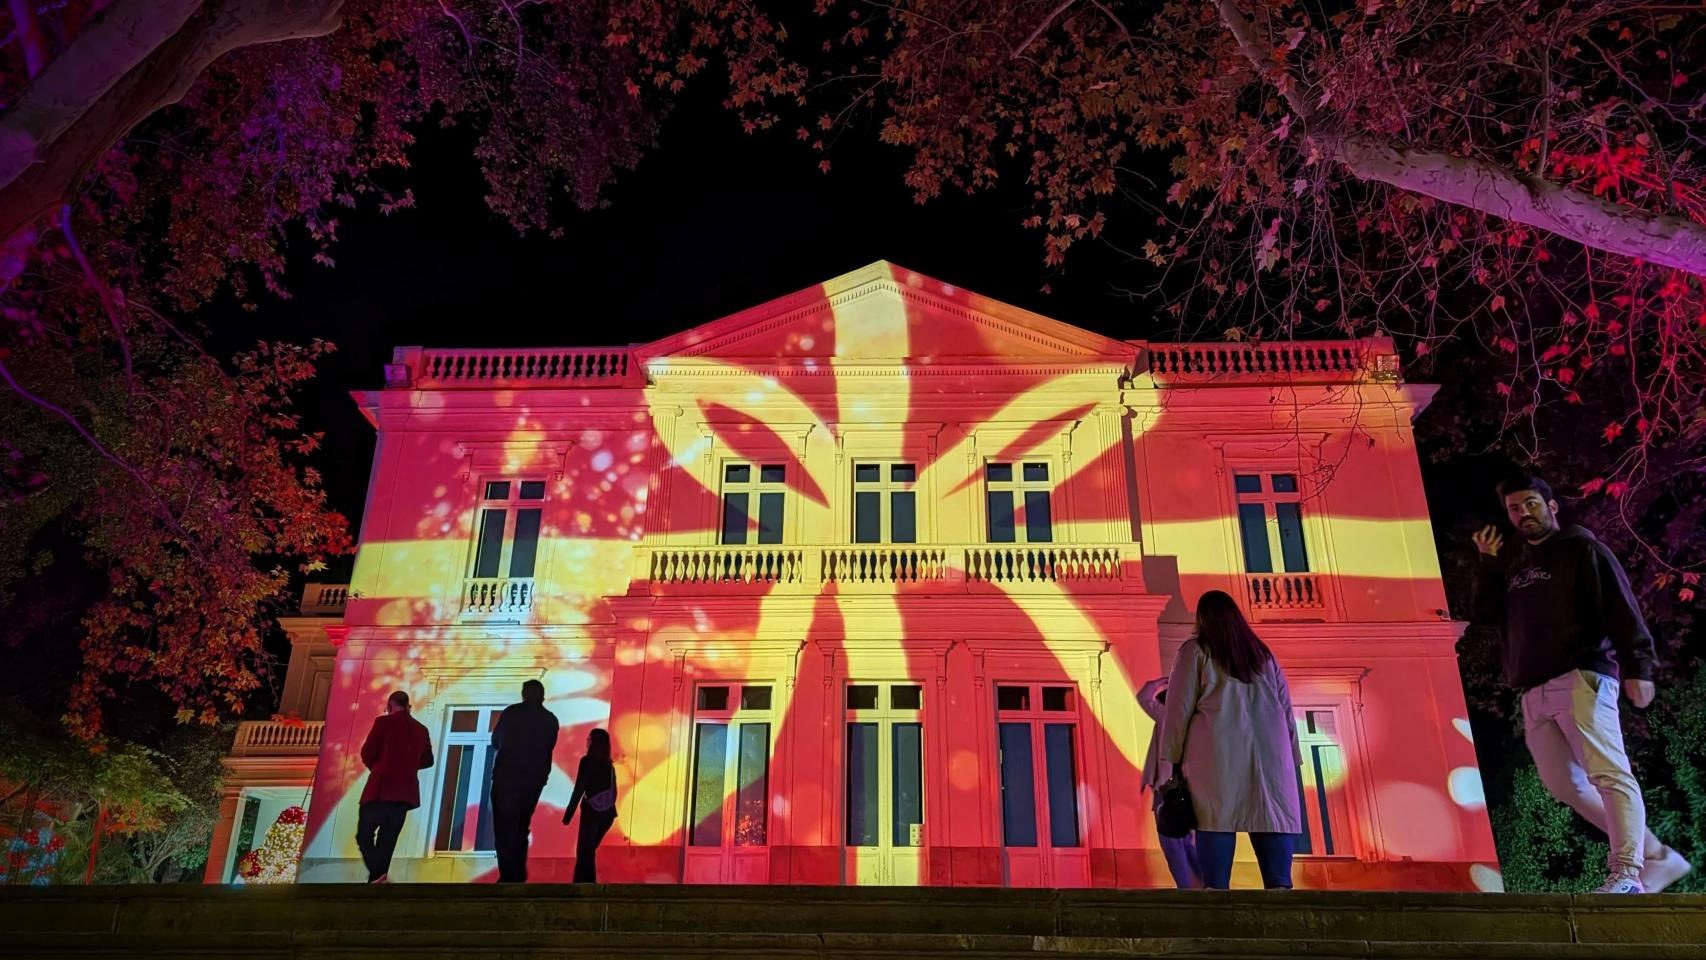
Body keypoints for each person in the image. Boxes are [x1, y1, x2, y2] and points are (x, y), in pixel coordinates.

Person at [1470, 472, 1691, 893]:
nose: (1523, 514)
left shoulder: (1580, 548)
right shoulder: (1514, 562)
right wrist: (1488, 565)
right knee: (1564, 784)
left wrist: (1638, 667)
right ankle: (1658, 856)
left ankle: (1628, 872)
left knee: (1608, 774)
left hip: (1581, 675)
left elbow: (1620, 605)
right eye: (1515, 508)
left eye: (1531, 504)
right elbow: (1485, 614)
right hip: (1532, 690)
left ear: (1551, 506)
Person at [1158, 590, 1300, 890]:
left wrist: (1172, 759)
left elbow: (1178, 709)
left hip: (1216, 754)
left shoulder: (1195, 651)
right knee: (1270, 818)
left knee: (1215, 819)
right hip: (1270, 757)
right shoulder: (1262, 654)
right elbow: (1287, 711)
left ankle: (1216, 900)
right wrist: (1292, 757)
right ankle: (1280, 898)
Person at [355, 690, 434, 884]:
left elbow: (367, 752)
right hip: (406, 793)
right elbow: (428, 760)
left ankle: (378, 875)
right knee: (387, 840)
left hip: (381, 788)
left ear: (390, 705)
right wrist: (409, 766)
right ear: (408, 706)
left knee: (364, 834)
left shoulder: (384, 723)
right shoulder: (421, 729)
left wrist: (378, 765)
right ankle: (377, 880)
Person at [489, 679, 560, 883]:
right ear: (542, 697)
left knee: (504, 827)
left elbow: (496, 741)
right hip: (533, 780)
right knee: (521, 826)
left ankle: (509, 874)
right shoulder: (550, 719)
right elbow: (548, 747)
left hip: (507, 776)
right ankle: (517, 873)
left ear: (524, 695)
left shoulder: (512, 713)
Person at [1138, 677, 1201, 889]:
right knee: (1188, 843)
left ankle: (1187, 889)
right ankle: (1201, 886)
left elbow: (1144, 697)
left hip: (1168, 788)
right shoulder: (1195, 719)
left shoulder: (1167, 716)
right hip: (1190, 788)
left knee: (1173, 844)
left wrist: (1162, 681)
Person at [562, 727, 617, 883]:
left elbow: (579, 788)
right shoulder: (609, 765)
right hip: (607, 814)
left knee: (584, 851)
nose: (587, 742)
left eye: (589, 739)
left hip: (591, 811)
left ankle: (583, 884)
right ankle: (588, 882)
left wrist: (568, 814)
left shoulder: (587, 762)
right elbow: (614, 790)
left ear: (594, 743)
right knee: (589, 849)